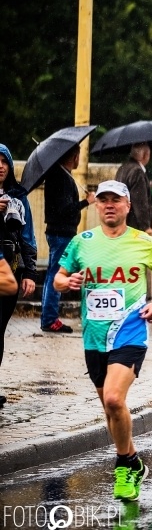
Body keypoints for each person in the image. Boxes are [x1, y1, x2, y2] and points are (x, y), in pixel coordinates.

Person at [54, 180, 152, 501]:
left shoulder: (144, 242)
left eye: (116, 200)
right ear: (96, 205)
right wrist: (69, 281)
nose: (109, 204)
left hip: (131, 331)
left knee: (113, 400)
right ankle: (133, 459)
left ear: (127, 206)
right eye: (103, 199)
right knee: (110, 410)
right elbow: (58, 278)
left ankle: (123, 465)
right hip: (94, 337)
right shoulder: (82, 243)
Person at [42, 144, 96, 333]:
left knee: (53, 274)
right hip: (60, 233)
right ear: (73, 156)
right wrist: (85, 202)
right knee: (56, 274)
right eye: (79, 155)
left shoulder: (61, 175)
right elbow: (65, 209)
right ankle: (49, 319)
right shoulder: (61, 178)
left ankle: (48, 317)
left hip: (59, 232)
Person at [0, 145, 33, 408]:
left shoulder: (18, 196)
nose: (0, 166)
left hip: (9, 271)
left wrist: (30, 272)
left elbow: (27, 236)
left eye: (4, 161)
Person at [114, 143, 152, 234]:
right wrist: (146, 227)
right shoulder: (137, 172)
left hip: (121, 222)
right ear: (145, 155)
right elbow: (140, 202)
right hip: (134, 227)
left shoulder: (122, 168)